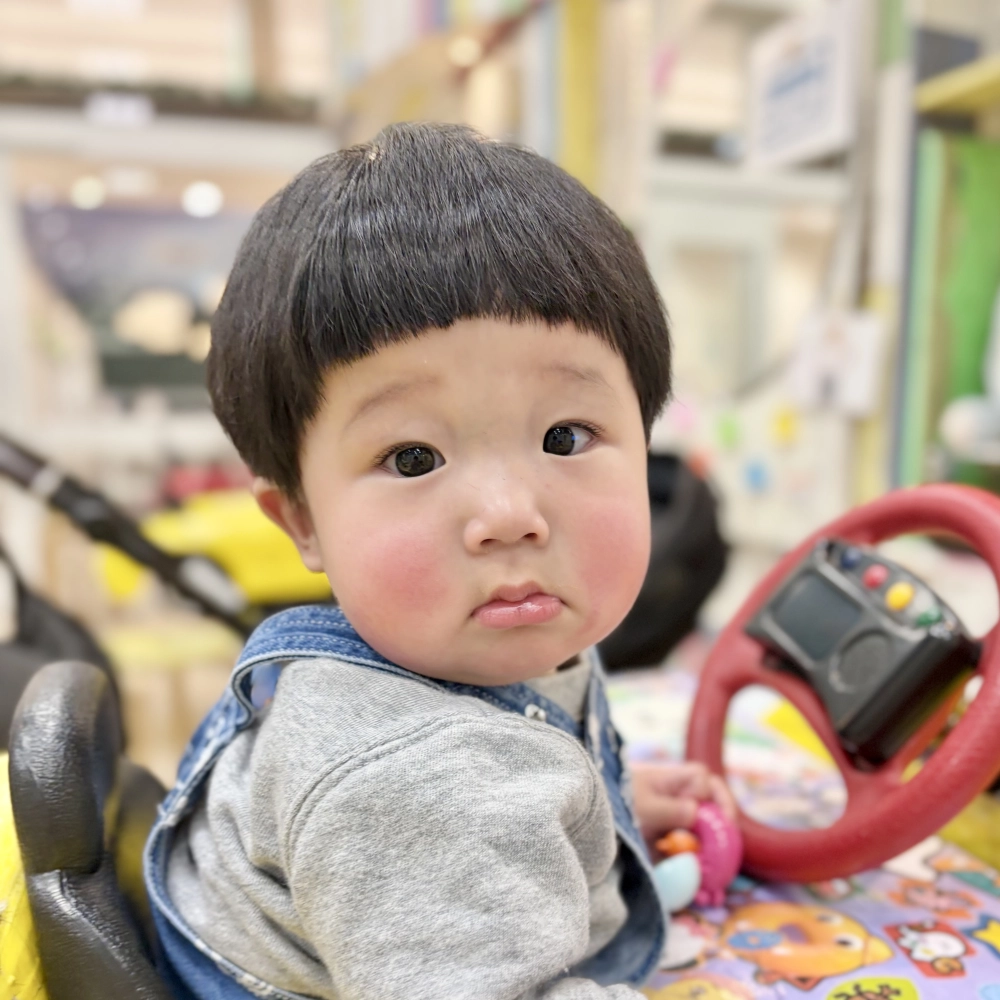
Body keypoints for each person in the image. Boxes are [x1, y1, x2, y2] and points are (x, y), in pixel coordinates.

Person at [144, 121, 734, 1000]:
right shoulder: (407, 781)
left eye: (566, 436)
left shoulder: (474, 668)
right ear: (302, 520)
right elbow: (444, 828)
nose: (510, 516)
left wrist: (594, 808)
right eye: (414, 458)